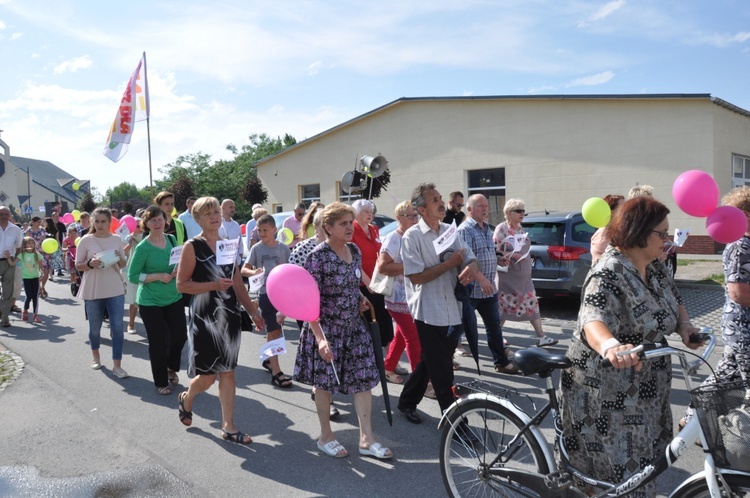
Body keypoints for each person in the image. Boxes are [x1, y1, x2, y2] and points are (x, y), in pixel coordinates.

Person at [559, 196, 701, 496]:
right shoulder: (607, 271)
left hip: (648, 386)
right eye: (661, 234)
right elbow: (592, 320)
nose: (667, 239)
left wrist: (685, 326)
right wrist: (610, 345)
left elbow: (674, 300)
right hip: (608, 388)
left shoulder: (655, 266)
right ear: (638, 231)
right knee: (616, 472)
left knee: (648, 465)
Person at [293, 202, 392, 459]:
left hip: (353, 327)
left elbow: (351, 280)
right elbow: (308, 301)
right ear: (328, 227)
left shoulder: (355, 250)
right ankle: (326, 436)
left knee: (363, 381)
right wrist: (320, 340)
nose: (350, 227)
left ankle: (366, 439)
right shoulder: (317, 256)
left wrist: (358, 296)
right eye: (344, 224)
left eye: (351, 222)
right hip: (327, 329)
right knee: (323, 384)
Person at [175, 197, 264, 444]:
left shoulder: (228, 245)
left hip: (229, 315)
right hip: (204, 316)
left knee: (228, 372)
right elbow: (181, 285)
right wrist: (213, 284)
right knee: (207, 377)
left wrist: (254, 313)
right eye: (207, 213)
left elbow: (237, 283)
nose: (214, 215)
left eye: (216, 211)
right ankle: (187, 398)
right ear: (198, 219)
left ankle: (228, 426)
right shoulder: (192, 247)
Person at [397, 183, 479, 424]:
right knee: (443, 369)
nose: (441, 203)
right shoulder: (412, 236)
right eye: (434, 200)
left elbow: (472, 260)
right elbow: (416, 276)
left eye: (440, 198)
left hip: (453, 308)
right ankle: (456, 424)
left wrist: (471, 270)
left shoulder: (450, 230)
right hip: (427, 311)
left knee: (431, 360)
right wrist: (450, 263)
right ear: (421, 209)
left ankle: (407, 401)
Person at [681, 186, 750, 428]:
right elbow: (738, 292)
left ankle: (691, 422)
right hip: (744, 330)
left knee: (723, 379)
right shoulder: (740, 246)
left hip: (741, 330)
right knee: (736, 383)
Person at [128, 206, 188, 395]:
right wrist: (157, 276)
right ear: (146, 223)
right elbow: (132, 275)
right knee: (158, 342)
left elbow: (178, 263)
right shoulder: (143, 247)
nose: (157, 223)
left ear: (165, 221)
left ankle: (171, 367)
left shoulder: (171, 240)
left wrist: (178, 270)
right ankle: (161, 382)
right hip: (150, 301)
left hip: (173, 296)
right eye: (152, 220)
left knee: (180, 337)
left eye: (160, 219)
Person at [458, 194, 517, 374]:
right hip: (471, 289)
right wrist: (481, 279)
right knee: (457, 329)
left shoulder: (486, 228)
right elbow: (466, 261)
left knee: (494, 327)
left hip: (488, 289)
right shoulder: (464, 230)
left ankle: (501, 362)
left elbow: (487, 251)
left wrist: (498, 259)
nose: (485, 209)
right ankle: (443, 362)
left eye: (486, 205)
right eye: (480, 206)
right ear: (469, 210)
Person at [494, 199, 557, 347]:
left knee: (532, 303)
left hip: (524, 276)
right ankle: (497, 336)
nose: (522, 214)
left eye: (523, 211)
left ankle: (541, 336)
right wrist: (512, 255)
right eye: (518, 211)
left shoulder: (520, 228)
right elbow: (495, 250)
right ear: (509, 213)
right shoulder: (501, 229)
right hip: (508, 276)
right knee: (503, 307)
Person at [74, 207, 129, 378]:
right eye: (96, 221)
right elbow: (78, 265)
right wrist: (90, 264)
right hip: (93, 288)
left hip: (114, 288)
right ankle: (96, 357)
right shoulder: (85, 240)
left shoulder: (116, 239)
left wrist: (117, 257)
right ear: (92, 222)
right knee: (95, 327)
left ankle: (117, 365)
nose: (99, 224)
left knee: (118, 328)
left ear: (109, 222)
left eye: (103, 221)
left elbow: (122, 264)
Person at [241, 214, 293, 388]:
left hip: (282, 296)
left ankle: (268, 360)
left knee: (276, 331)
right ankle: (276, 372)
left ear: (274, 230)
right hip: (265, 295)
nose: (261, 233)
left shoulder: (284, 249)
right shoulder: (257, 249)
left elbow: (290, 271)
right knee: (273, 330)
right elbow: (244, 269)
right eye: (259, 230)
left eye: (265, 230)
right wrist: (253, 273)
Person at [380, 201, 421, 384]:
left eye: (415, 216)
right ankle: (420, 381)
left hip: (414, 296)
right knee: (413, 338)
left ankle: (388, 367)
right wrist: (410, 267)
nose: (414, 219)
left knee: (401, 336)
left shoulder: (414, 236)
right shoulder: (393, 238)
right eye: (410, 216)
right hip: (397, 297)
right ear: (399, 218)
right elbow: (383, 266)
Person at [351, 199, 394, 345]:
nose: (370, 214)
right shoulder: (351, 231)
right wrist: (369, 282)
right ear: (356, 213)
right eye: (366, 212)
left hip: (379, 281)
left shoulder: (374, 228)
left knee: (386, 320)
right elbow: (353, 260)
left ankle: (389, 360)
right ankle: (376, 360)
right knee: (371, 322)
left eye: (371, 212)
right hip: (364, 284)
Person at [0, 206, 23, 327]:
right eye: (1, 214)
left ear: (10, 216)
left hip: (9, 263)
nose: (3, 216)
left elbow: (19, 247)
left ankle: (5, 318)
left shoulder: (16, 230)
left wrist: (13, 260)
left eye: (6, 214)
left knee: (8, 291)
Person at [123, 218, 144, 334]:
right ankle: (131, 324)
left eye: (140, 225)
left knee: (145, 299)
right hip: (130, 271)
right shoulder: (127, 238)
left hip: (146, 270)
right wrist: (129, 243)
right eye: (136, 226)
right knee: (134, 300)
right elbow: (121, 253)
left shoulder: (147, 237)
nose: (139, 228)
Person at [590, 194, 625, 264]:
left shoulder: (619, 230)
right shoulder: (603, 234)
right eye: (622, 207)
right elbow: (600, 262)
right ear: (611, 211)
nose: (625, 210)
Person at [26, 217, 51, 299]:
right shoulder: (28, 231)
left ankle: (43, 286)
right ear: (33, 222)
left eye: (40, 222)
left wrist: (48, 251)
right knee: (37, 272)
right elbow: (27, 243)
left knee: (46, 271)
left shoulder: (42, 230)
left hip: (44, 253)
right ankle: (39, 288)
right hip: (33, 253)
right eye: (38, 222)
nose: (39, 223)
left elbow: (45, 241)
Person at [19, 236, 43, 323]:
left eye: (32, 243)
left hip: (35, 278)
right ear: (24, 245)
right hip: (26, 278)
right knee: (29, 296)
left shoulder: (37, 254)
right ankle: (25, 310)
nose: (31, 244)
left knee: (35, 297)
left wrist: (41, 273)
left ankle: (35, 315)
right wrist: (8, 257)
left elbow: (41, 267)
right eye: (28, 243)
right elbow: (13, 263)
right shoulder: (22, 254)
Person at [219, 198, 244, 264]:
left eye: (234, 207)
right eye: (230, 207)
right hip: (220, 261)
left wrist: (240, 255)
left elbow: (240, 242)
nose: (233, 209)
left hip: (235, 262)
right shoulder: (216, 223)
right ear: (223, 208)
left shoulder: (236, 225)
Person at [62, 225, 79, 292]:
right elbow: (63, 249)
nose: (73, 235)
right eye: (71, 233)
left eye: (74, 233)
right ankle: (73, 284)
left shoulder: (78, 239)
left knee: (78, 271)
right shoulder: (66, 240)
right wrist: (66, 248)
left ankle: (78, 283)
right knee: (72, 272)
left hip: (77, 255)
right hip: (70, 256)